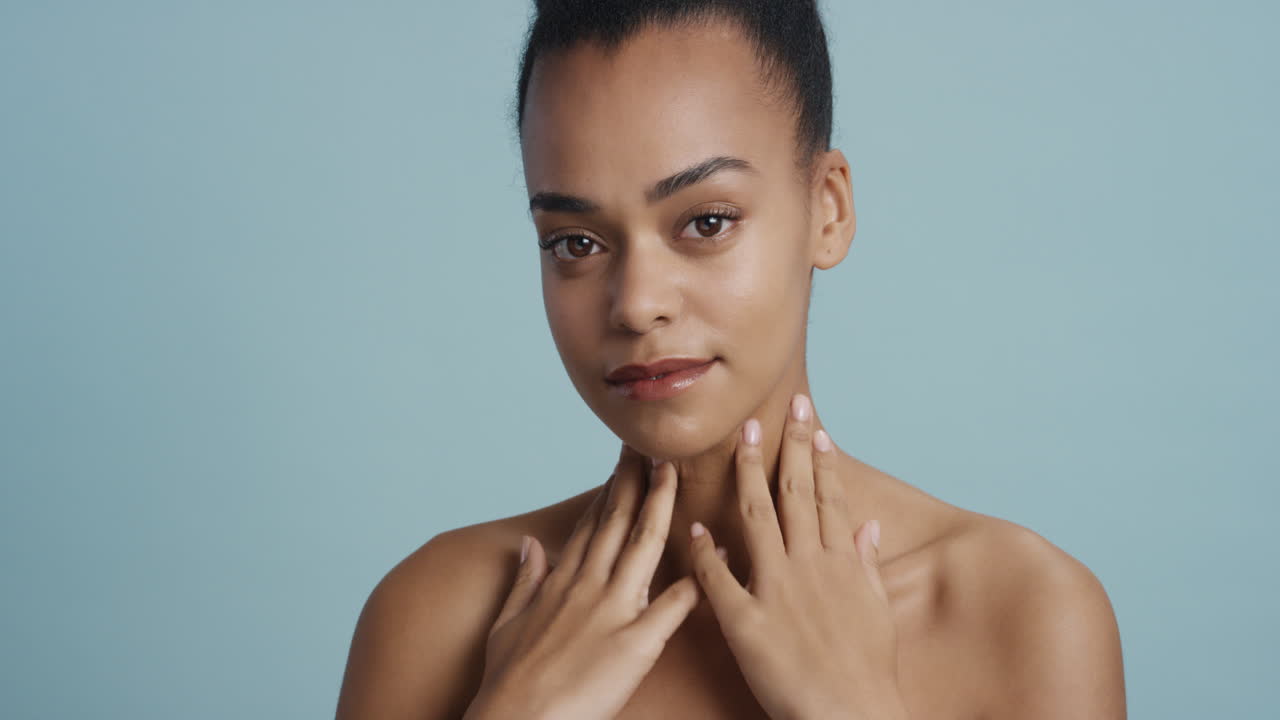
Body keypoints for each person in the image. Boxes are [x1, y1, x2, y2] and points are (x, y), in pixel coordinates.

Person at [335, 2, 1127, 718]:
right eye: (575, 242)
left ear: (829, 210)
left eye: (706, 222)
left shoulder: (1023, 618)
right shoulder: (438, 619)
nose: (636, 302)